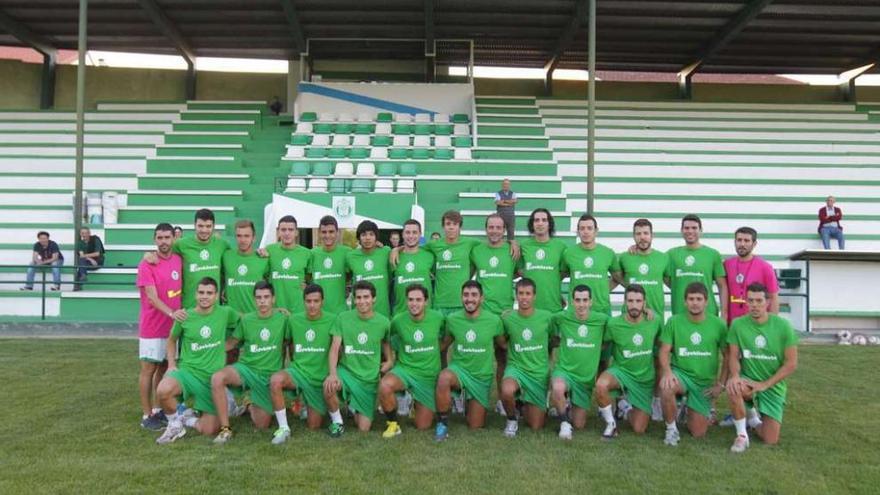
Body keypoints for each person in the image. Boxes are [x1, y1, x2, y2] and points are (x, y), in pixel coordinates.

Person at [155, 277, 240, 444]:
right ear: (196, 294)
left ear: (216, 296)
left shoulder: (225, 313)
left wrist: (230, 343)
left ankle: (186, 417)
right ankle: (174, 424)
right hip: (188, 372)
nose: (205, 296)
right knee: (163, 390)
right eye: (201, 292)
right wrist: (172, 364)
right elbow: (172, 340)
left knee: (208, 430)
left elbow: (245, 321)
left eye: (209, 293)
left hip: (211, 380)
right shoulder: (185, 316)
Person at [210, 281, 288, 443]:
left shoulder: (283, 320)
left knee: (262, 424)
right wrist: (209, 349)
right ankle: (225, 429)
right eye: (259, 297)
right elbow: (232, 343)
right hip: (246, 369)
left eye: (266, 297)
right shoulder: (246, 320)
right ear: (254, 300)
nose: (262, 301)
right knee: (218, 378)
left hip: (267, 376)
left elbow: (291, 343)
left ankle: (249, 402)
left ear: (273, 299)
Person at [726, 282, 799, 453]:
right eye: (751, 301)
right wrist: (735, 375)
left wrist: (765, 384)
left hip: (772, 386)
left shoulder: (783, 326)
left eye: (759, 301)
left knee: (770, 439)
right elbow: (733, 356)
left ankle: (752, 419)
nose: (755, 305)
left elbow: (791, 364)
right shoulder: (738, 324)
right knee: (734, 387)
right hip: (748, 382)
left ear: (767, 302)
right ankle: (742, 436)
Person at [658, 282, 728, 446]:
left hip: (704, 382)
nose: (695, 302)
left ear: (706, 301)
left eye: (699, 299)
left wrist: (720, 385)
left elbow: (728, 357)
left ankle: (685, 408)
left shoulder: (718, 324)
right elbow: (663, 351)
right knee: (666, 386)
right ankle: (671, 429)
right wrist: (667, 372)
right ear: (685, 301)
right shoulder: (674, 321)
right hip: (681, 375)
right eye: (691, 299)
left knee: (698, 433)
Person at [434, 280, 505, 441]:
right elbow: (443, 344)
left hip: (481, 376)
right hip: (459, 371)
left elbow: (503, 344)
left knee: (475, 426)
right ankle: (442, 423)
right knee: (444, 377)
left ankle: (467, 400)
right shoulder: (452, 319)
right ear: (461, 297)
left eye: (474, 295)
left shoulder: (494, 320)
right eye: (466, 295)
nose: (469, 299)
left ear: (482, 298)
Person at [323, 281, 393, 436]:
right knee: (328, 386)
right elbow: (335, 348)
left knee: (363, 428)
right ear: (354, 299)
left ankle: (354, 405)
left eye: (366, 297)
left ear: (374, 299)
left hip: (368, 379)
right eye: (358, 297)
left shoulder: (383, 322)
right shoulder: (343, 318)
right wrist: (333, 373)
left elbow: (387, 345)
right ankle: (338, 423)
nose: (362, 301)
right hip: (347, 372)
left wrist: (389, 360)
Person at [270, 284, 336, 444]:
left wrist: (332, 373)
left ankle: (311, 402)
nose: (312, 305)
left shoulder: (333, 319)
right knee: (276, 380)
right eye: (308, 301)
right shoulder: (293, 320)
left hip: (319, 378)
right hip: (298, 373)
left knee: (314, 425)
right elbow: (288, 344)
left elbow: (337, 350)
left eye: (316, 301)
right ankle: (284, 428)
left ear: (322, 301)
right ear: (303, 301)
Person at [594, 284, 662, 439]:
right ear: (624, 302)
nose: (634, 305)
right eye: (630, 301)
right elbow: (601, 345)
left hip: (644, 379)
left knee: (639, 429)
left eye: (638, 301)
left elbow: (663, 346)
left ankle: (624, 409)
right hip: (621, 372)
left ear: (645, 303)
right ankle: (611, 424)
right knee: (601, 385)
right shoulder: (614, 324)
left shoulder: (655, 321)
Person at [379, 284, 445, 437]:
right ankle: (393, 425)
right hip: (405, 370)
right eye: (410, 299)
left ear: (426, 302)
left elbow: (446, 336)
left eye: (418, 299)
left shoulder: (438, 318)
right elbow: (386, 339)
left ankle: (414, 404)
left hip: (428, 376)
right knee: (385, 386)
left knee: (423, 426)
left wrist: (438, 348)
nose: (414, 303)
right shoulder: (398, 321)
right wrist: (390, 359)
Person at [136, 223, 184, 430]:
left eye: (167, 237)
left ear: (174, 238)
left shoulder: (178, 260)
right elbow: (152, 297)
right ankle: (146, 415)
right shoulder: (147, 264)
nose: (163, 242)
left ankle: (158, 409)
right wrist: (172, 313)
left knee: (164, 368)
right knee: (148, 369)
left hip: (172, 328)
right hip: (152, 327)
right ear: (154, 239)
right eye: (160, 238)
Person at [549, 284, 609, 440]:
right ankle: (564, 424)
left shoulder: (602, 320)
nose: (581, 304)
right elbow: (541, 319)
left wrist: (646, 311)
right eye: (577, 300)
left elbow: (623, 324)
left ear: (591, 302)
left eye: (584, 300)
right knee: (557, 387)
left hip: (585, 380)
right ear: (572, 301)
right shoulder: (562, 317)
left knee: (580, 425)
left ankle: (566, 404)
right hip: (565, 371)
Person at [499, 278, 553, 436]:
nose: (524, 297)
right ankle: (511, 420)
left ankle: (524, 404)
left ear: (534, 296)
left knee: (536, 425)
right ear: (516, 295)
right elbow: (502, 342)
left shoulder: (547, 317)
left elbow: (554, 338)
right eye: (521, 293)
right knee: (507, 390)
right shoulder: (507, 318)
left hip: (538, 373)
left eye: (528, 293)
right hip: (517, 369)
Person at [665, 215, 728, 321]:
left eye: (694, 228)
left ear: (701, 231)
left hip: (708, 314)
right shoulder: (671, 255)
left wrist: (724, 314)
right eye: (686, 228)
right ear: (681, 231)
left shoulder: (712, 254)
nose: (690, 231)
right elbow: (661, 274)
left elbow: (722, 286)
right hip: (680, 313)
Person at [562, 214, 621, 316]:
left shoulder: (607, 253)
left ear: (596, 231)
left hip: (601, 310)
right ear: (578, 232)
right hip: (576, 312)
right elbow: (557, 277)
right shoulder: (568, 253)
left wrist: (603, 290)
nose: (585, 231)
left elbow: (618, 278)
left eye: (589, 228)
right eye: (582, 228)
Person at [171, 209, 230, 309]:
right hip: (189, 309)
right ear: (194, 225)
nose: (204, 230)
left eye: (208, 226)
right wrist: (150, 255)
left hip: (214, 310)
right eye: (200, 226)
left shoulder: (222, 245)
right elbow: (164, 255)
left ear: (213, 226)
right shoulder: (181, 244)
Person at [724, 227, 779, 325]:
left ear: (754, 244)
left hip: (755, 325)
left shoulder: (765, 267)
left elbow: (773, 298)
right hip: (731, 325)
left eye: (746, 241)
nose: (742, 244)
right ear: (734, 242)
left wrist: (771, 326)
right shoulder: (727, 264)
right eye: (739, 240)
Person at [617, 219, 668, 317]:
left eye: (646, 233)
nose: (642, 237)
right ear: (633, 236)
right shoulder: (624, 258)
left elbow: (671, 282)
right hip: (630, 316)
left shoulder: (664, 258)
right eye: (638, 234)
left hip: (656, 315)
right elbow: (616, 279)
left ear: (652, 235)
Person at [518, 209, 565, 313]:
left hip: (554, 308)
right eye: (536, 220)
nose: (540, 223)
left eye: (544, 220)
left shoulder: (561, 247)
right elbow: (519, 271)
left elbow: (563, 273)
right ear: (532, 224)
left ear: (549, 224)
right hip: (530, 310)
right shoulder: (523, 246)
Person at [222, 220, 269, 314]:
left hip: (254, 318)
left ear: (254, 238)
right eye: (239, 236)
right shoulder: (226, 256)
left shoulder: (263, 259)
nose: (242, 240)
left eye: (246, 236)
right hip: (231, 318)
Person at [266, 215, 311, 314]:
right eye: (283, 230)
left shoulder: (307, 253)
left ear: (296, 232)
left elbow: (311, 277)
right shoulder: (269, 250)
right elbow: (262, 275)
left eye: (290, 230)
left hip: (299, 310)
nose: (287, 233)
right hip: (275, 310)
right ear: (278, 232)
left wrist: (307, 285)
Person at [347, 220, 392, 317]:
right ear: (359, 238)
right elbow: (345, 277)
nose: (367, 238)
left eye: (371, 234)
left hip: (382, 313)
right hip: (359, 314)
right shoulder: (350, 256)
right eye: (363, 235)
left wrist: (397, 249)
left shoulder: (386, 252)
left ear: (376, 237)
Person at [309, 215, 350, 315]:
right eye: (324, 232)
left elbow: (351, 274)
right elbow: (307, 278)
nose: (327, 235)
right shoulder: (312, 254)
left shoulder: (347, 253)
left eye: (331, 232)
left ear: (337, 233)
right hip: (318, 313)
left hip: (340, 313)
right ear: (319, 233)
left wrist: (377, 245)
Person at [392, 219, 434, 315]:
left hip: (426, 315)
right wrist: (396, 249)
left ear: (420, 234)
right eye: (407, 232)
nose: (411, 236)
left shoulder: (430, 255)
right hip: (400, 315)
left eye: (414, 232)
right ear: (402, 234)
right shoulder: (393, 257)